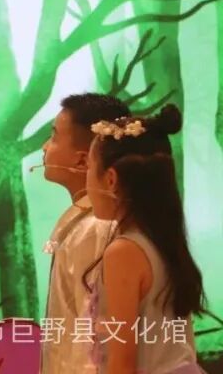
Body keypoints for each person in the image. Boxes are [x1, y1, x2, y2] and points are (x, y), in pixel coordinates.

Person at [84, 104, 206, 374]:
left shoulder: (124, 251)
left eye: (89, 168)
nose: (86, 181)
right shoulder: (163, 241)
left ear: (111, 179)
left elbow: (122, 363)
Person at [39, 93, 131, 373]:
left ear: (82, 161)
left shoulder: (97, 227)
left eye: (54, 137)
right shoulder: (86, 220)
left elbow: (95, 336)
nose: (45, 147)